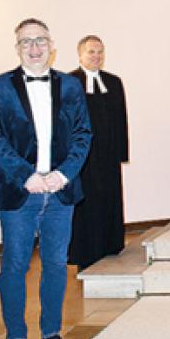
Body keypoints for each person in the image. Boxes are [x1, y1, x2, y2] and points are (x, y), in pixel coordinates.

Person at [0, 18, 92, 339]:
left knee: (56, 264)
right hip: (19, 191)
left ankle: (51, 332)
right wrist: (25, 175)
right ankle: (16, 335)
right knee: (15, 265)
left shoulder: (70, 86)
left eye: (40, 40)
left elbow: (83, 134)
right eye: (26, 41)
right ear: (17, 48)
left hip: (60, 191)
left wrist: (63, 173)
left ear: (52, 47)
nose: (34, 48)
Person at [68, 35, 129, 270]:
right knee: (85, 202)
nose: (96, 56)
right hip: (81, 156)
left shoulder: (113, 82)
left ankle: (110, 244)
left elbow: (121, 119)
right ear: (80, 55)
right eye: (91, 52)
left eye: (100, 52)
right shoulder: (69, 82)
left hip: (108, 154)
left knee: (109, 197)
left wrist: (121, 152)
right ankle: (85, 250)